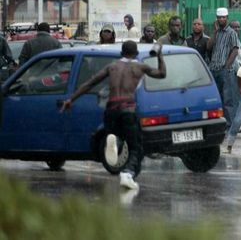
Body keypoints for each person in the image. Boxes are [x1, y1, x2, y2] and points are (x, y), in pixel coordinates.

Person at [60, 40, 166, 189]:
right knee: (136, 147)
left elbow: (90, 83)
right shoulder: (140, 67)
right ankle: (128, 173)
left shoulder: (112, 67)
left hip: (111, 109)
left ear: (121, 53)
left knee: (119, 138)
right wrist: (160, 55)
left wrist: (71, 99)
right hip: (127, 109)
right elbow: (162, 73)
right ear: (136, 54)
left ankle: (115, 141)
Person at [207, 7, 241, 129]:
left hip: (225, 70)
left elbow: (235, 50)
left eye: (223, 17)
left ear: (227, 18)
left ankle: (230, 125)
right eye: (219, 17)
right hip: (214, 69)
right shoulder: (216, 33)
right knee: (217, 98)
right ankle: (219, 124)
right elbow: (209, 47)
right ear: (216, 19)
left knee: (228, 99)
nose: (221, 19)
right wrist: (214, 32)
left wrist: (226, 67)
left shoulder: (231, 32)